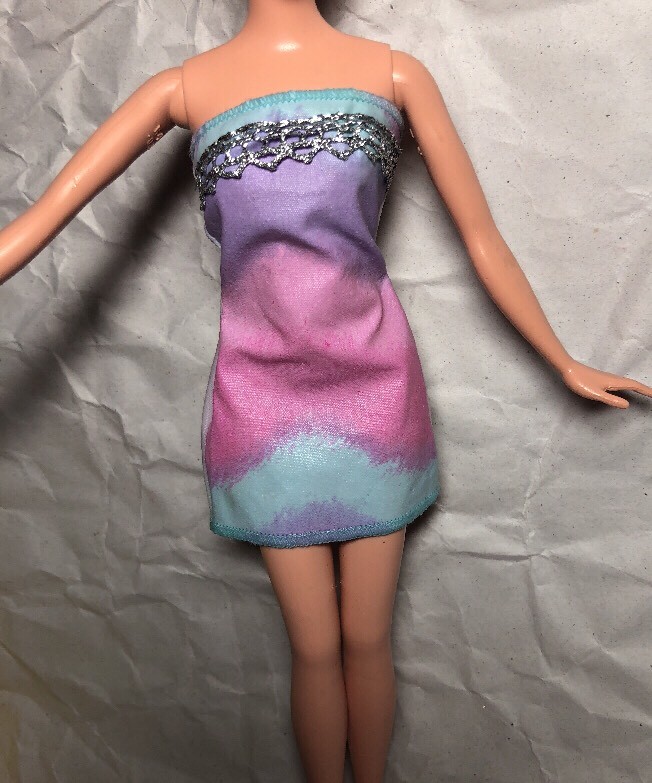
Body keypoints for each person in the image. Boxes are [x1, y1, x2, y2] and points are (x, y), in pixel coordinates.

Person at [1, 1, 650, 782]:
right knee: (311, 646)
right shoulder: (182, 89)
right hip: (260, 399)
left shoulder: (394, 74)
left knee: (368, 638)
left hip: (375, 388)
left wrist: (562, 359)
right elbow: (46, 214)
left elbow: (483, 239)